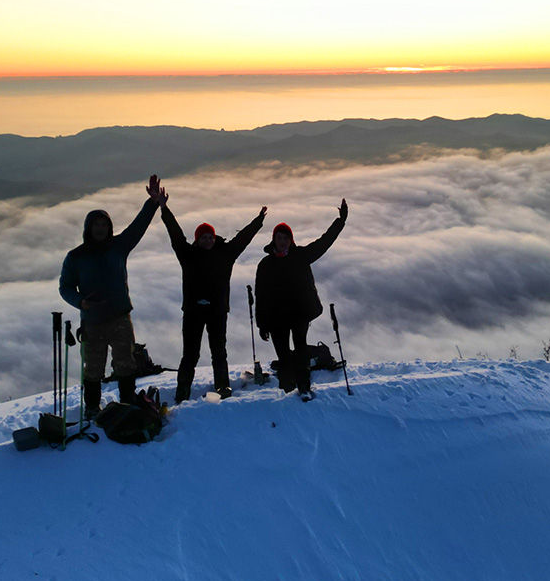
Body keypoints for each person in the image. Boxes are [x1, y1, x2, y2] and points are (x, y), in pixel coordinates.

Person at [59, 175, 163, 418]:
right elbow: (65, 287)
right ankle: (93, 409)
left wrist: (153, 203)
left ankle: (127, 404)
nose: (100, 228)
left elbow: (138, 227)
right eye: (96, 225)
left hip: (119, 318)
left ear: (109, 227)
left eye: (104, 224)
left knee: (125, 364)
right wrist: (80, 302)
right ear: (88, 228)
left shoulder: (119, 246)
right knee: (93, 368)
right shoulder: (76, 257)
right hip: (92, 321)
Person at [159, 188, 267, 403]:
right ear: (197, 240)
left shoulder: (225, 254)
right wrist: (164, 208)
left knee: (219, 352)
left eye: (210, 237)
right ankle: (182, 393)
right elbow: (175, 234)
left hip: (216, 311)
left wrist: (258, 221)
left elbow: (242, 239)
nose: (207, 240)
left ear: (214, 237)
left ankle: (222, 387)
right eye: (203, 237)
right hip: (193, 311)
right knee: (190, 354)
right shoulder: (187, 254)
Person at [255, 199, 348, 399]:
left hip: (299, 315)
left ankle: (304, 388)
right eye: (280, 238)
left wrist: (340, 222)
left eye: (286, 238)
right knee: (283, 356)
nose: (283, 241)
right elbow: (260, 296)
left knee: (300, 354)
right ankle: (288, 390)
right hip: (276, 319)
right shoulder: (265, 264)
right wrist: (262, 325)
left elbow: (324, 243)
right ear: (274, 239)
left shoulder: (300, 256)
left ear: (291, 240)